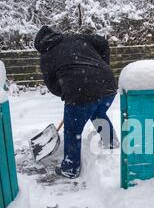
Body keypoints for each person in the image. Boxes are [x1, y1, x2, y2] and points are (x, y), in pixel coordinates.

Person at [34, 26, 119, 179]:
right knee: (98, 112)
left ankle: (71, 168)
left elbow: (52, 86)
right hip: (108, 86)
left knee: (72, 131)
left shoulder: (46, 56)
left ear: (40, 45)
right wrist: (103, 65)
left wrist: (69, 93)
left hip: (80, 92)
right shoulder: (75, 37)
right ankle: (111, 142)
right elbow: (103, 42)